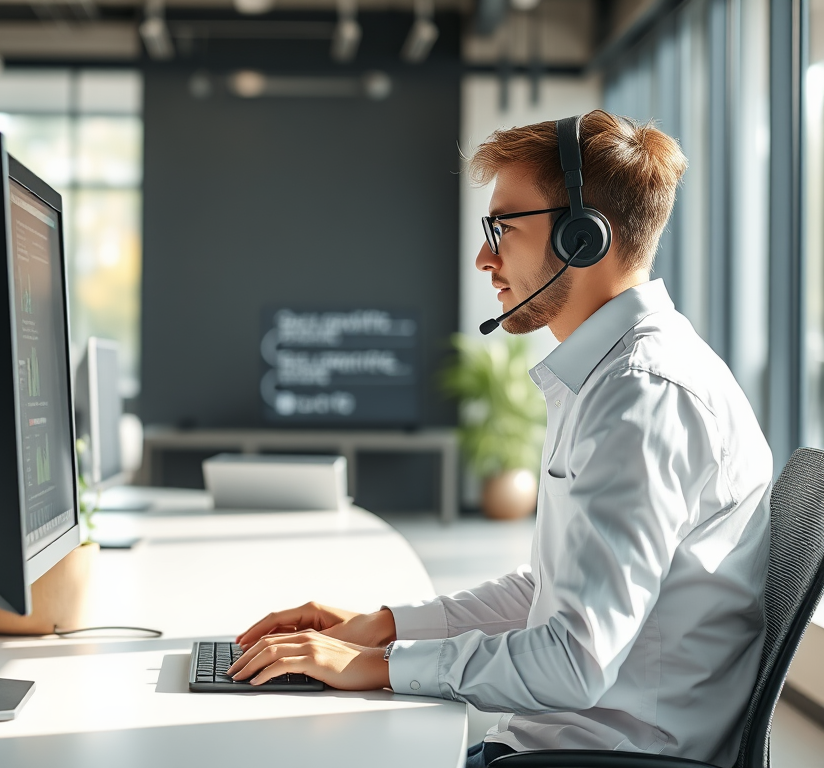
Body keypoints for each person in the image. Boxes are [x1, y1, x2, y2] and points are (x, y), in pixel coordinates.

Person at [227, 110, 773, 768]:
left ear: (581, 238)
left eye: (502, 229)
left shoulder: (642, 396)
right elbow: (547, 593)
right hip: (562, 746)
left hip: (593, 759)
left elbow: (575, 660)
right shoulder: (611, 378)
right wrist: (385, 626)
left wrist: (379, 665)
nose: (485, 258)